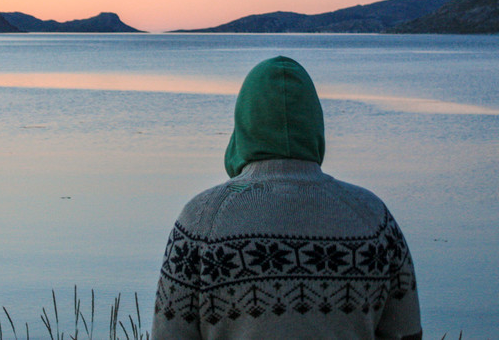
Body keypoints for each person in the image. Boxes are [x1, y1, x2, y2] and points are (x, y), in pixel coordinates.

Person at [152, 57, 422, 340]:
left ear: (244, 122)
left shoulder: (200, 222)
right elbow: (407, 333)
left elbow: (168, 335)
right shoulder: (374, 219)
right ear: (314, 122)